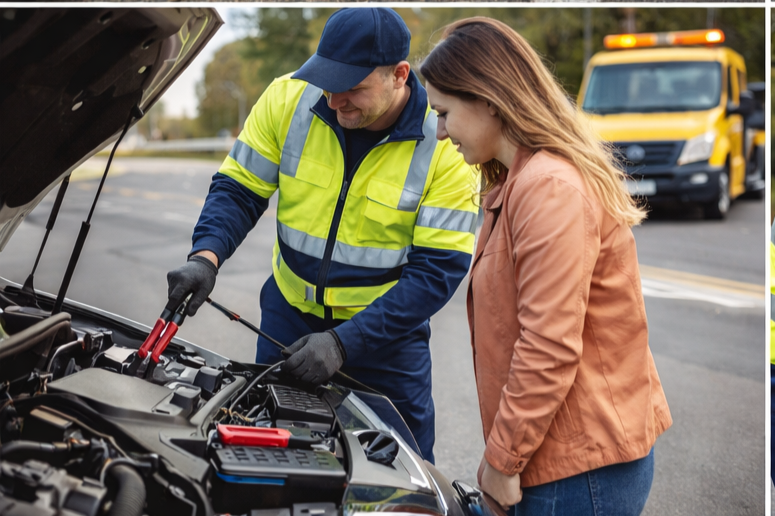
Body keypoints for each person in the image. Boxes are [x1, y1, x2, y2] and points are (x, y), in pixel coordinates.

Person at [165, 8, 478, 463]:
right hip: (287, 320)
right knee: (266, 458)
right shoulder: (287, 98)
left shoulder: (444, 142)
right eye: (329, 84)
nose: (335, 101)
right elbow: (239, 189)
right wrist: (205, 257)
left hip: (385, 342)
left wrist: (344, 343)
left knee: (398, 477)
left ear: (399, 75)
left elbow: (435, 273)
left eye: (352, 88)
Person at [420, 18, 672, 514]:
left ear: (487, 97)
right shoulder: (518, 182)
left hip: (580, 470)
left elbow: (547, 344)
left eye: (445, 112)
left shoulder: (548, 187)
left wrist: (502, 461)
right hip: (558, 455)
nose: (441, 131)